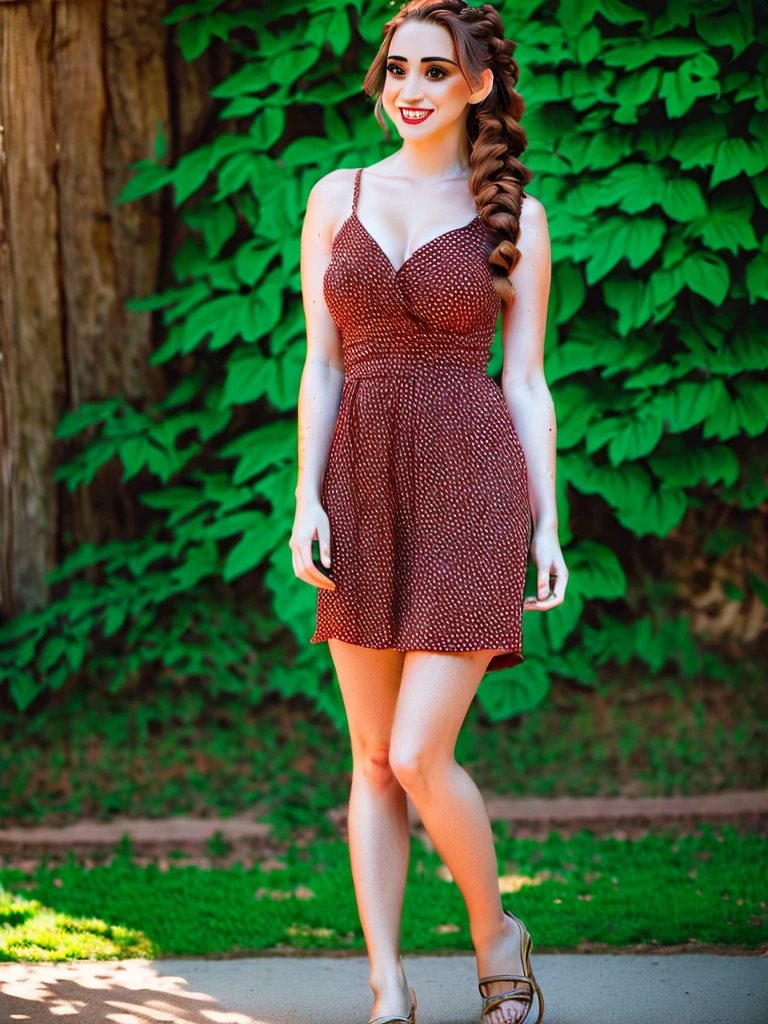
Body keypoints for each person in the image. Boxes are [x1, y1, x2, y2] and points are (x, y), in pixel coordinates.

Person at [291, 2, 566, 1022]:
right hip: (360, 483)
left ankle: (499, 936)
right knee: (368, 757)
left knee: (417, 752)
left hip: (470, 485)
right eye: (396, 68)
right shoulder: (335, 194)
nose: (407, 89)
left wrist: (545, 525)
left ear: (478, 86)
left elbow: (528, 383)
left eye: (435, 72)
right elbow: (322, 365)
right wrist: (303, 498)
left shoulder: (515, 217)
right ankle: (388, 984)